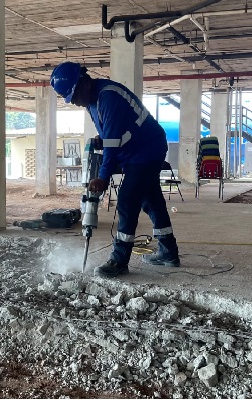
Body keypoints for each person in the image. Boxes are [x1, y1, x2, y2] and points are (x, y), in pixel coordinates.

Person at [49, 61, 180, 278]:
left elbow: (112, 144)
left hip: (147, 150)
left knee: (127, 200)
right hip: (134, 151)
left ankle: (119, 260)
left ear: (83, 83)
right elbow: (110, 134)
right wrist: (102, 140)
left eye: (74, 96)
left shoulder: (108, 97)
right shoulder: (92, 101)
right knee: (151, 200)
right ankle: (168, 252)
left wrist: (103, 177)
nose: (76, 103)